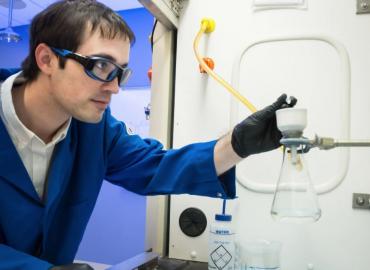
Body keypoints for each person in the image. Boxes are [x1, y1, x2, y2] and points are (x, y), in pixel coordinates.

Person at [0, 1, 296, 269]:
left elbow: (155, 165)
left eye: (120, 72)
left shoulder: (94, 130)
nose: (115, 88)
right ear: (47, 59)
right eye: (101, 66)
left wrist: (236, 145)